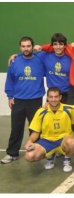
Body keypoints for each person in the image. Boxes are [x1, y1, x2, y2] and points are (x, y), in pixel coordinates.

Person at [2, 36, 45, 164]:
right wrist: (10, 96)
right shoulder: (15, 61)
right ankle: (12, 153)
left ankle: (37, 151)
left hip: (35, 100)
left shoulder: (40, 59)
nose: (26, 48)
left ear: (33, 46)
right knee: (16, 128)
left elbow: (53, 51)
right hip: (18, 101)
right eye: (23, 46)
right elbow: (10, 80)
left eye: (28, 46)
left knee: (36, 129)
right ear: (20, 47)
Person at [23, 87, 74, 172]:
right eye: (51, 97)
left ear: (60, 97)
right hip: (47, 140)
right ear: (47, 98)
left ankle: (67, 159)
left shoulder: (69, 109)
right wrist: (30, 141)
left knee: (72, 142)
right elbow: (35, 132)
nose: (53, 99)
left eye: (56, 97)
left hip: (63, 139)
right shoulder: (41, 112)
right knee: (29, 156)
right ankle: (50, 157)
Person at [9, 33, 71, 103]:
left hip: (68, 94)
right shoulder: (45, 55)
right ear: (52, 46)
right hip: (52, 95)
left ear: (65, 45)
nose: (58, 47)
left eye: (61, 44)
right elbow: (29, 54)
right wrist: (17, 55)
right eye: (55, 44)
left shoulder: (70, 58)